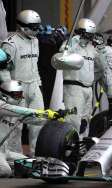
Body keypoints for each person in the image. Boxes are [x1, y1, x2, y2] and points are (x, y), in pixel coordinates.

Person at [1, 10, 45, 154]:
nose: (36, 30)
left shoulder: (35, 41)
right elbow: (3, 69)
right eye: (33, 27)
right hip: (17, 86)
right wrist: (11, 88)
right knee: (15, 125)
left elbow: (35, 64)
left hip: (33, 85)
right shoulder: (10, 43)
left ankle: (37, 156)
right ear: (22, 26)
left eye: (38, 26)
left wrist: (38, 84)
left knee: (39, 121)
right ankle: (16, 160)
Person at [0, 80, 61, 177]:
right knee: (5, 171)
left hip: (4, 151)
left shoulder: (17, 112)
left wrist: (54, 118)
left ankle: (10, 168)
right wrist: (43, 113)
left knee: (32, 164)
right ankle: (8, 169)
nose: (20, 98)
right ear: (4, 95)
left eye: (20, 94)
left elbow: (36, 120)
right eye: (17, 95)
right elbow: (19, 110)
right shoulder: (2, 106)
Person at [52, 18, 98, 137]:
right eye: (87, 35)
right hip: (74, 87)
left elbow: (99, 64)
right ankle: (69, 151)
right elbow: (62, 54)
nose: (89, 38)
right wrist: (67, 42)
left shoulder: (91, 47)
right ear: (81, 32)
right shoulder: (71, 43)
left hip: (88, 88)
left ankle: (81, 150)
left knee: (85, 121)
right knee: (73, 121)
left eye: (91, 36)